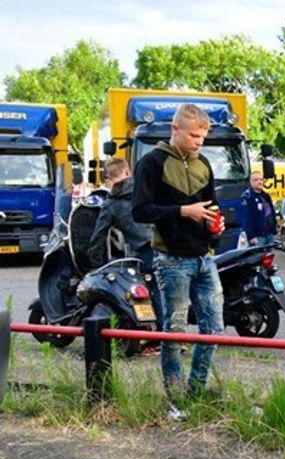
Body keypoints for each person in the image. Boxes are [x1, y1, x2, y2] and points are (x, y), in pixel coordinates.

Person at [132, 103, 224, 401]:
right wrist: (184, 211)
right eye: (194, 135)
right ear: (175, 129)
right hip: (170, 258)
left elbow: (210, 208)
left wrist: (216, 225)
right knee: (175, 332)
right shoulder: (151, 163)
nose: (200, 142)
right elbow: (140, 211)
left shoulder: (204, 164)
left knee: (214, 329)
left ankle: (196, 392)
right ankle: (176, 399)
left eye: (203, 136)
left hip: (204, 257)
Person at [89, 157, 161, 322]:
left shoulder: (111, 204)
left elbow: (99, 236)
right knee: (169, 291)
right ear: (128, 171)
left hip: (144, 251)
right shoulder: (147, 188)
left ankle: (161, 337)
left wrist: (96, 264)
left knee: (151, 291)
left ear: (108, 177)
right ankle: (177, 336)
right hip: (167, 244)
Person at [237, 171, 277, 247]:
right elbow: (245, 219)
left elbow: (272, 212)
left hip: (269, 235)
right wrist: (251, 236)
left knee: (269, 258)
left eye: (261, 180)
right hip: (258, 237)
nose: (260, 182)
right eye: (256, 180)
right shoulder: (247, 197)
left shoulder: (266, 196)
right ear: (251, 182)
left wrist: (274, 231)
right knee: (257, 258)